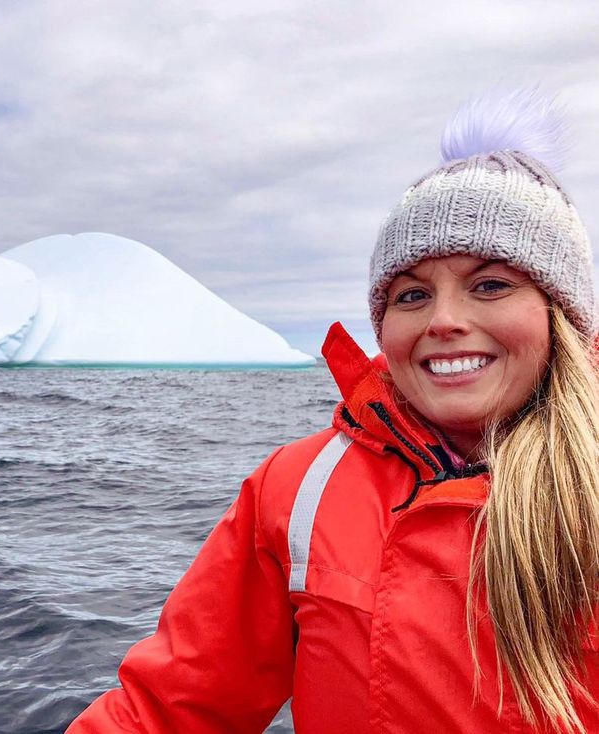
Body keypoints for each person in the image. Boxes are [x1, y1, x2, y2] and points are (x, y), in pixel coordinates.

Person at [67, 88, 599, 734]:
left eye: (491, 285)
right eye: (411, 295)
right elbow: (165, 710)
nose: (445, 321)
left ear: (560, 314)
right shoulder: (296, 493)